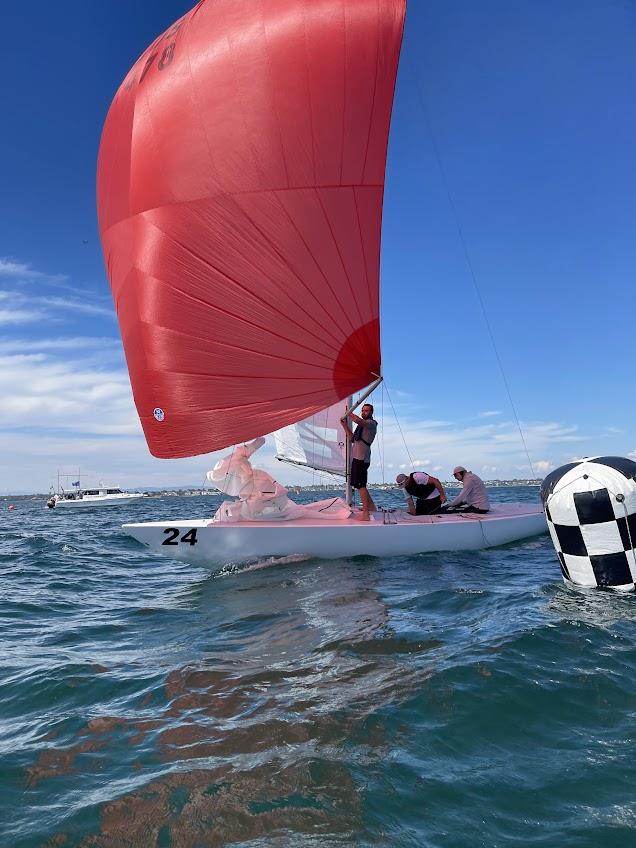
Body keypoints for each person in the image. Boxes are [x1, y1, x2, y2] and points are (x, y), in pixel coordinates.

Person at [341, 403, 377, 521]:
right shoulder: (361, 426)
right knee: (358, 485)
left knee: (361, 485)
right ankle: (371, 508)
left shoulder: (371, 424)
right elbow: (352, 438)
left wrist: (348, 412)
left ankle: (366, 514)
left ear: (371, 412)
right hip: (357, 459)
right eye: (363, 410)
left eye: (366, 410)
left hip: (362, 459)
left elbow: (359, 421)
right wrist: (344, 425)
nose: (364, 412)